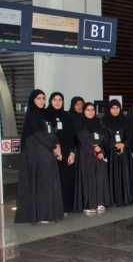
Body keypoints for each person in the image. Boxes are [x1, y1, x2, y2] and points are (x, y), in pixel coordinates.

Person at [15, 90, 64, 223]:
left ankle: (49, 213)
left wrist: (56, 144)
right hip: (36, 154)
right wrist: (54, 146)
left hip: (46, 152)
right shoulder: (32, 115)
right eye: (39, 98)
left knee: (48, 182)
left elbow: (51, 132)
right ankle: (41, 214)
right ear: (33, 100)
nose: (42, 101)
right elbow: (39, 135)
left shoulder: (44, 115)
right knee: (41, 183)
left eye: (43, 98)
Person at [74, 102, 112, 215]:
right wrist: (96, 148)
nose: (91, 112)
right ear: (84, 111)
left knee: (100, 177)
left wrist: (101, 148)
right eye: (88, 110)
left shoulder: (99, 123)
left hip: (99, 155)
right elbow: (82, 139)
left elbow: (106, 138)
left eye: (92, 110)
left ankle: (100, 202)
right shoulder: (80, 124)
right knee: (88, 179)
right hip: (86, 154)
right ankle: (89, 204)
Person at [46, 92, 76, 214]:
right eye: (55, 99)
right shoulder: (46, 115)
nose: (57, 102)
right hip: (50, 152)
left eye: (60, 100)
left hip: (67, 152)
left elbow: (73, 136)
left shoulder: (67, 116)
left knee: (66, 180)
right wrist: (54, 148)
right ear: (50, 101)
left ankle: (65, 207)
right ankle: (53, 208)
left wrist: (72, 153)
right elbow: (45, 135)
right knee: (53, 181)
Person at [102, 100, 132, 206]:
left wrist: (124, 144)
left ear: (120, 109)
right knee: (112, 174)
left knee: (124, 174)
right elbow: (103, 137)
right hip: (111, 153)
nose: (115, 110)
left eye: (117, 108)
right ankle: (113, 198)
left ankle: (125, 197)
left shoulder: (126, 121)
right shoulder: (104, 121)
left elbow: (130, 136)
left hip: (124, 152)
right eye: (113, 108)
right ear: (109, 109)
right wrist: (114, 144)